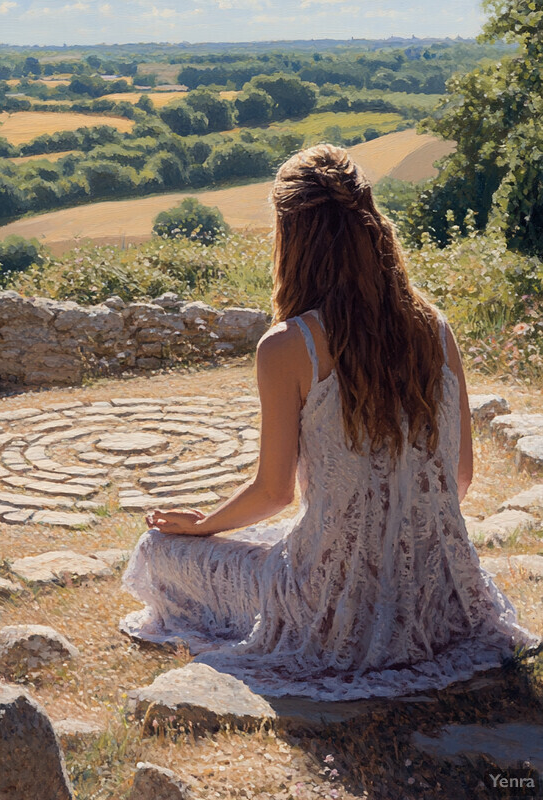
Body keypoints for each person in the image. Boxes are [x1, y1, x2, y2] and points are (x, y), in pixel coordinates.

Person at [119, 143, 541, 701]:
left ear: (291, 237)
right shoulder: (435, 327)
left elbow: (273, 494)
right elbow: (459, 478)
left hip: (325, 602)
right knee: (279, 541)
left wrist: (202, 526)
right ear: (371, 227)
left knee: (159, 550)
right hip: (437, 596)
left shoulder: (289, 345)